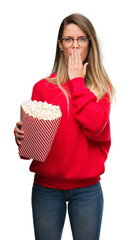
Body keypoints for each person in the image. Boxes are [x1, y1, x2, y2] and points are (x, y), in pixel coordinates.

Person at [14, 13, 115, 240]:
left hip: (87, 190)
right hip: (47, 189)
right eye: (69, 39)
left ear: (91, 44)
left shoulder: (101, 88)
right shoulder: (42, 88)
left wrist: (77, 81)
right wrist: (22, 135)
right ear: (60, 45)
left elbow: (95, 125)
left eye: (82, 39)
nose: (75, 46)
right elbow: (31, 151)